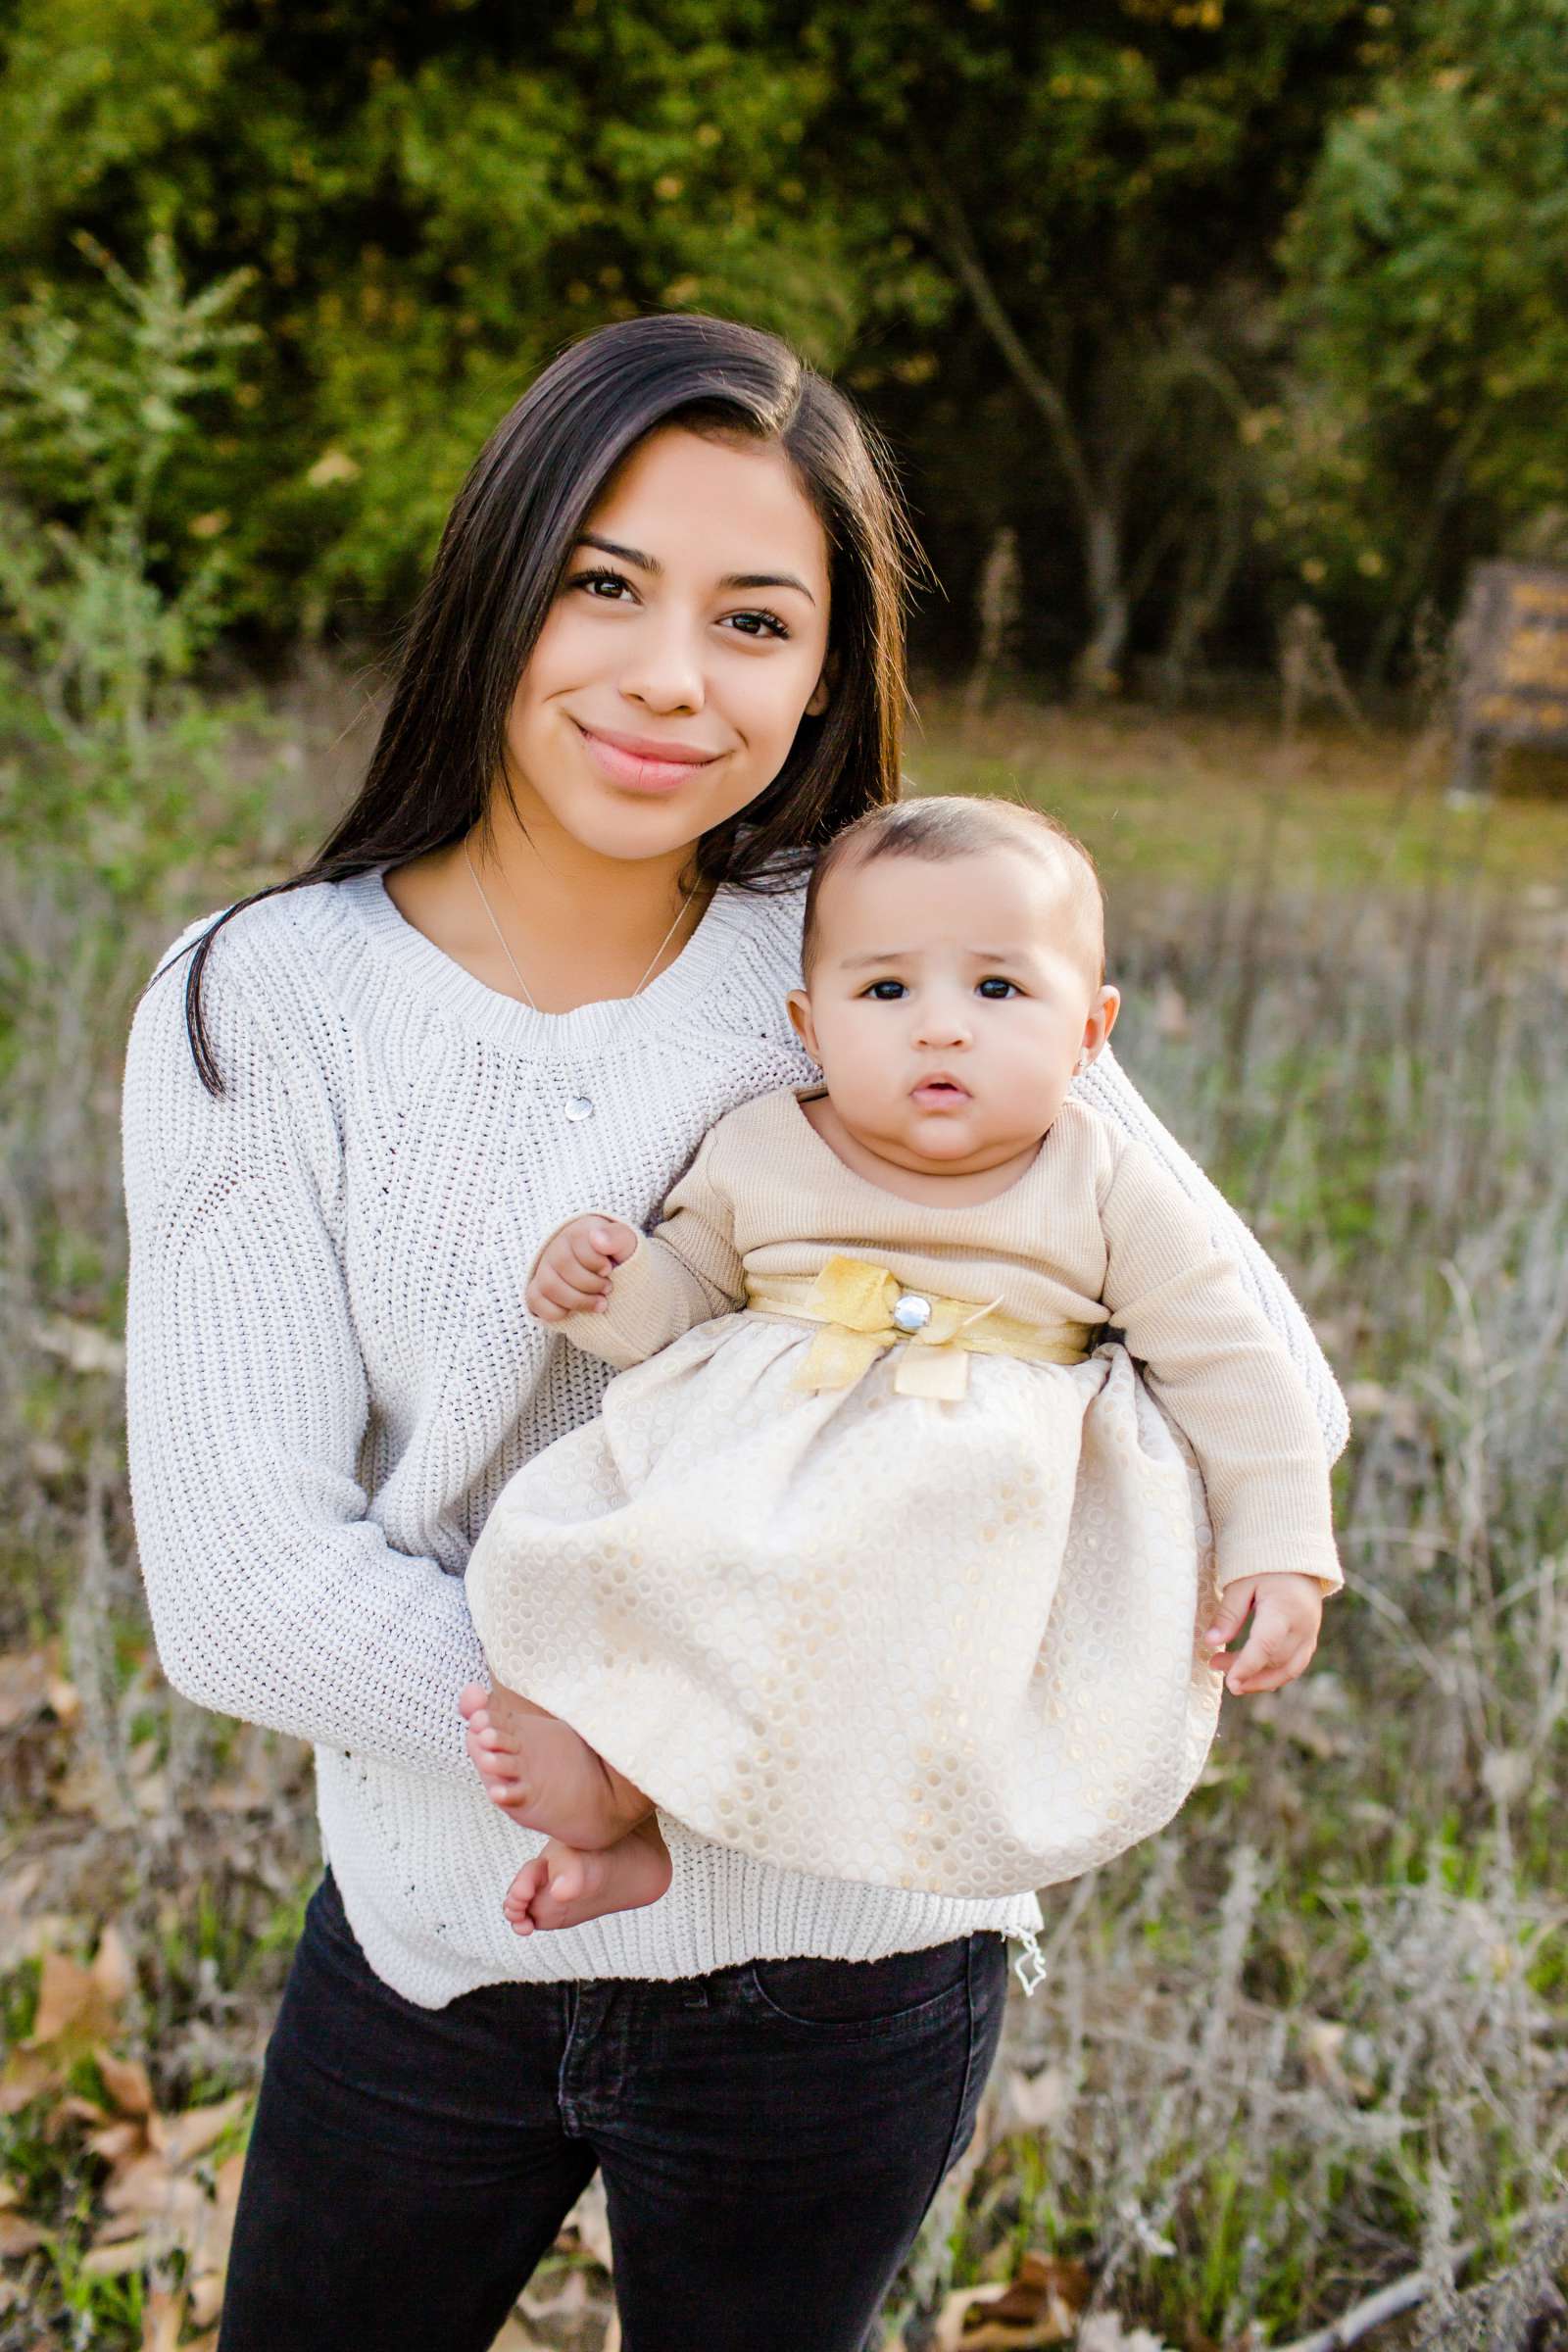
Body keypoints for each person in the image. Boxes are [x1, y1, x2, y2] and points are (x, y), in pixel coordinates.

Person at [122, 313, 1348, 2352]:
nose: (671, 676)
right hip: (450, 1928)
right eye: (603, 582)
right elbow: (245, 1587)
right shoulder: (269, 1001)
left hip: (852, 1952)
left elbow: (1210, 1333)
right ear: (496, 579)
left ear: (822, 667)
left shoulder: (891, 957)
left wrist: (1206, 1560)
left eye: (754, 619)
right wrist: (614, 1746)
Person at [460, 796, 1341, 1940]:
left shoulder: (1104, 1179)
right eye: (884, 991)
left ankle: (890, 1818)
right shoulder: (761, 1142)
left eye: (997, 989)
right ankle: (619, 1805)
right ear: (809, 1023)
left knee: (935, 1670)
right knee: (614, 1568)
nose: (940, 1029)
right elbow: (677, 1302)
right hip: (750, 1478)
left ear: (1089, 1031)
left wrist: (1280, 1547)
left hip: (970, 1528)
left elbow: (1231, 1362)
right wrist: (607, 1283)